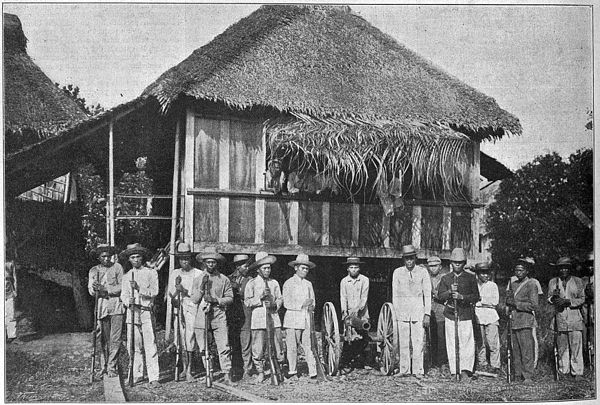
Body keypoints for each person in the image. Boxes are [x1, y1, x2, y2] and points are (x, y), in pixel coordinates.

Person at [190, 252, 234, 384]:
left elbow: (230, 298)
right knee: (204, 347)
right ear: (204, 263)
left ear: (216, 263)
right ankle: (208, 372)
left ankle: (227, 374)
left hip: (218, 314)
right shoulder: (198, 279)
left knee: (223, 345)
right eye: (208, 262)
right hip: (202, 315)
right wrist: (202, 289)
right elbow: (194, 299)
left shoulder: (223, 279)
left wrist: (216, 300)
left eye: (213, 262)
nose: (211, 264)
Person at [120, 243, 160, 387]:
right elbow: (123, 295)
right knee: (134, 345)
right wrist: (127, 301)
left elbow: (154, 291)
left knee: (150, 344)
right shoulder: (126, 276)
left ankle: (153, 376)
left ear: (142, 258)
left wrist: (139, 288)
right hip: (132, 312)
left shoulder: (151, 273)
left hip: (146, 311)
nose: (136, 260)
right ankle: (137, 374)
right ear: (129, 259)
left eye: (138, 257)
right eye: (132, 257)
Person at [437, 247, 480, 380]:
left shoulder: (470, 278)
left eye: (460, 262)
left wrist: (462, 297)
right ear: (451, 263)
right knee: (451, 342)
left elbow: (476, 297)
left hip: (465, 314)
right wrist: (449, 292)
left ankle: (465, 370)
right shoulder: (446, 278)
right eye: (455, 262)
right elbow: (440, 296)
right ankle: (454, 370)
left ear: (464, 263)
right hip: (450, 314)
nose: (457, 264)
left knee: (466, 342)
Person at [244, 252, 284, 383]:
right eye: (264, 268)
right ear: (258, 269)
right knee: (258, 348)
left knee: (277, 345)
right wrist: (259, 298)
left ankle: (279, 370)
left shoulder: (274, 283)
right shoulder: (252, 283)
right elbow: (247, 302)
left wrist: (274, 304)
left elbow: (280, 298)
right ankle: (260, 372)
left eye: (269, 268)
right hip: (259, 319)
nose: (267, 270)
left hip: (273, 319)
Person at [392, 245, 431, 378]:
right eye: (406, 259)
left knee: (418, 342)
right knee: (403, 341)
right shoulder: (397, 272)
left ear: (415, 258)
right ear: (403, 259)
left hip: (418, 312)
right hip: (402, 312)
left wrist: (427, 313)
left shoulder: (422, 272)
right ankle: (404, 369)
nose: (409, 261)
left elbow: (427, 293)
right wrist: (396, 315)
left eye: (411, 258)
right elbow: (395, 295)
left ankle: (418, 370)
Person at [167, 243, 203, 382]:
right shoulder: (175, 273)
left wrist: (184, 291)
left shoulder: (198, 274)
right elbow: (171, 294)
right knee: (180, 338)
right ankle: (182, 368)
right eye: (182, 259)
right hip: (179, 309)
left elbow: (197, 295)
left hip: (192, 309)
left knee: (190, 338)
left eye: (187, 258)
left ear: (191, 259)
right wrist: (177, 292)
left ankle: (189, 370)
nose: (184, 261)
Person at [88, 244, 124, 378]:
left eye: (108, 256)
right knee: (103, 338)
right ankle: (103, 365)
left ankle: (112, 366)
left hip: (116, 307)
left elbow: (122, 286)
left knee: (115, 338)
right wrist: (95, 288)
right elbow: (91, 291)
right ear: (99, 257)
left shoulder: (118, 268)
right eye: (103, 256)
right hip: (102, 307)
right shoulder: (93, 270)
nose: (106, 259)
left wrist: (106, 289)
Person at [547, 257, 585, 381]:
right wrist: (554, 299)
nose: (563, 270)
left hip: (574, 318)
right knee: (562, 346)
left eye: (566, 268)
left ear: (569, 269)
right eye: (561, 268)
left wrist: (568, 302)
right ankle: (564, 370)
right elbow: (549, 298)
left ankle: (577, 371)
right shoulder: (553, 282)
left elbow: (582, 298)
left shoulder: (578, 281)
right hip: (560, 317)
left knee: (576, 345)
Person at [282, 254, 318, 381]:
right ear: (296, 268)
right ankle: (292, 370)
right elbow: (286, 302)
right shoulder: (289, 283)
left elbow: (313, 301)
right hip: (293, 318)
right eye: (303, 268)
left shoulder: (308, 284)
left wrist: (311, 306)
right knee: (292, 346)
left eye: (307, 269)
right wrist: (302, 304)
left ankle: (313, 371)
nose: (305, 271)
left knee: (308, 345)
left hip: (306, 318)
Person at [507, 257, 543, 368]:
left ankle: (527, 374)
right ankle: (517, 373)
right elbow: (509, 301)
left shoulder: (532, 284)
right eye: (516, 270)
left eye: (521, 270)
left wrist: (516, 304)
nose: (518, 273)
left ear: (527, 271)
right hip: (514, 320)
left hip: (526, 320)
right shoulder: (513, 284)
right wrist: (508, 303)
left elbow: (534, 305)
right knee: (516, 349)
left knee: (526, 349)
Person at [339, 257, 370, 370]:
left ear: (359, 268)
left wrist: (358, 309)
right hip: (349, 312)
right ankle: (345, 361)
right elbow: (343, 297)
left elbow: (364, 296)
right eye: (351, 267)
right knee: (348, 337)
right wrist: (344, 311)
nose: (354, 270)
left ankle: (363, 362)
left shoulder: (364, 280)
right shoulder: (344, 281)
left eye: (356, 267)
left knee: (364, 336)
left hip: (361, 312)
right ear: (348, 269)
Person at [228, 254, 253, 379]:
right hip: (232, 314)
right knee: (233, 342)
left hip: (246, 313)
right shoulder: (228, 279)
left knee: (246, 341)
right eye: (245, 265)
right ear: (237, 266)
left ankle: (247, 369)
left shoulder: (250, 280)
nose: (247, 268)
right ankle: (233, 368)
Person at [473, 262, 500, 374]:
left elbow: (494, 302)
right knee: (480, 342)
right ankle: (482, 363)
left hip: (491, 316)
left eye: (487, 273)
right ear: (478, 274)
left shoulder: (493, 285)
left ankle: (495, 365)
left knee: (493, 342)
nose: (485, 276)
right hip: (478, 316)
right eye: (482, 273)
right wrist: (480, 302)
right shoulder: (474, 285)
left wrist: (480, 302)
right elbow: (473, 301)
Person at [427, 256, 447, 368]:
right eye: (430, 266)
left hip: (441, 310)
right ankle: (431, 361)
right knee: (429, 335)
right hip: (428, 309)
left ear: (440, 267)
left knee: (441, 336)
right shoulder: (425, 277)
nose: (433, 268)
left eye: (435, 266)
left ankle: (442, 362)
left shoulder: (444, 278)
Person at [5, 260, 17, 342]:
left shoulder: (9, 263)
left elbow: (14, 278)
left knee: (11, 315)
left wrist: (15, 290)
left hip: (9, 293)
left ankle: (12, 336)